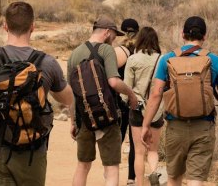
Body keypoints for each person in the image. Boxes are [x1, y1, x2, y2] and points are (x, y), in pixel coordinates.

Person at [0, 1, 73, 186]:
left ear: (5, 26)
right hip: (34, 153)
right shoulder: (48, 63)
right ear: (33, 27)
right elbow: (68, 98)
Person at [141, 16, 218, 186]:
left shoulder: (167, 59)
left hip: (175, 127)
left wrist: (146, 125)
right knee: (195, 180)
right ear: (204, 36)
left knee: (174, 178)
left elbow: (155, 95)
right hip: (203, 126)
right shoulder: (215, 61)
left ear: (182, 34)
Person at [68, 15, 139, 186]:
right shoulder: (107, 50)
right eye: (115, 35)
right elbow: (113, 82)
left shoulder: (74, 53)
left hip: (83, 116)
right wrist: (131, 94)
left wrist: (73, 121)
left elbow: (71, 93)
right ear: (107, 32)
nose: (115, 39)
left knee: (83, 165)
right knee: (111, 167)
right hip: (106, 115)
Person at [123, 27, 164, 186]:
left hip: (137, 109)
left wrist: (126, 101)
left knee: (139, 152)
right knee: (153, 150)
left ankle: (139, 183)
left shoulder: (133, 59)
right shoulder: (162, 59)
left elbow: (126, 88)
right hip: (156, 110)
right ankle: (154, 174)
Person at [115, 18, 140, 185]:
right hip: (137, 100)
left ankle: (112, 174)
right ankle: (132, 177)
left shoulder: (117, 52)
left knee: (117, 137)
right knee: (134, 141)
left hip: (119, 100)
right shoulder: (141, 52)